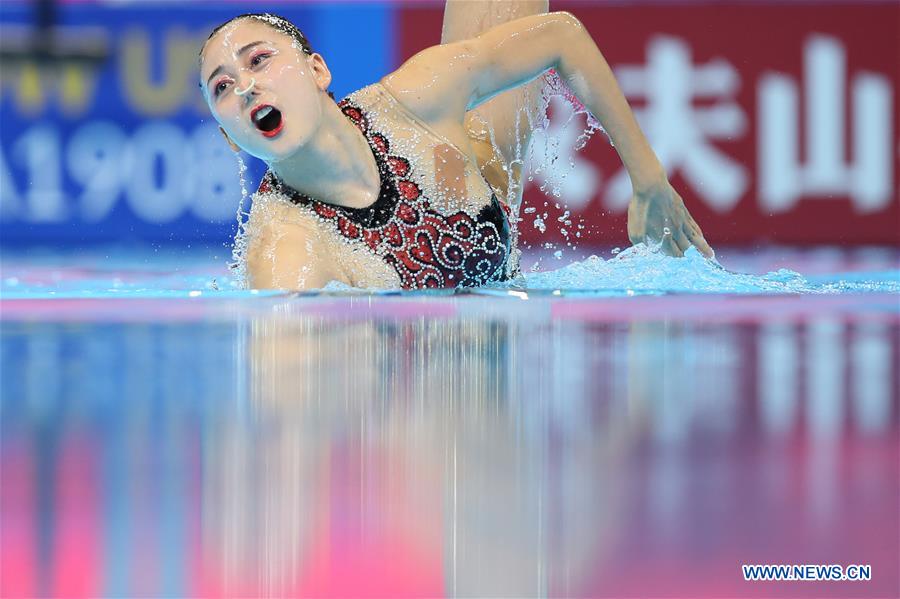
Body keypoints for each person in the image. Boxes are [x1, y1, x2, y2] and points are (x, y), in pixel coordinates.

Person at [199, 1, 713, 290]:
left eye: (258, 60)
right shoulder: (287, 251)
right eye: (222, 87)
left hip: (491, 168)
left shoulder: (414, 98)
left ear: (317, 70)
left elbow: (562, 36)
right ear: (228, 137)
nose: (245, 87)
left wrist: (649, 181)